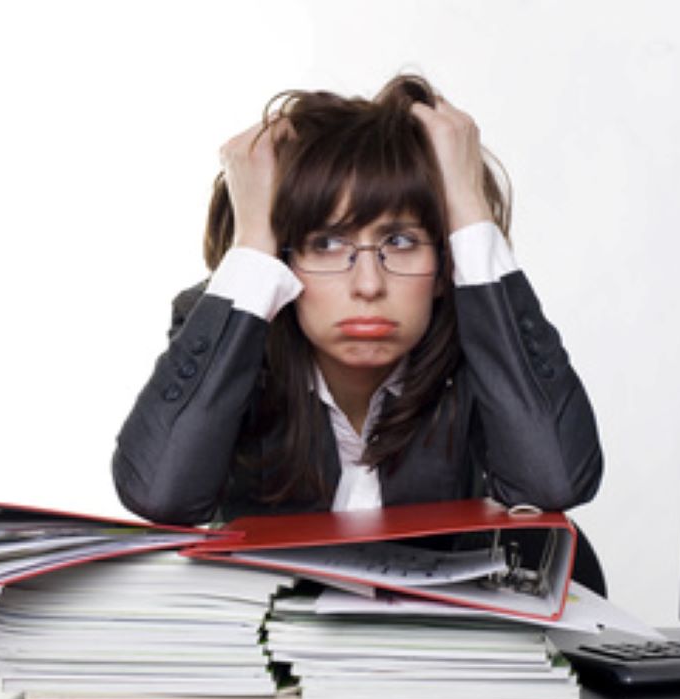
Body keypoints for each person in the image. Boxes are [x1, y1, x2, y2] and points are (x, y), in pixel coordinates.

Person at [112, 75, 603, 531]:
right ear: (282, 260)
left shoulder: (480, 338)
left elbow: (553, 481)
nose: (369, 285)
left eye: (401, 241)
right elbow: (161, 496)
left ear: (444, 262)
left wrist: (468, 208)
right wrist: (254, 241)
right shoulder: (228, 337)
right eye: (326, 244)